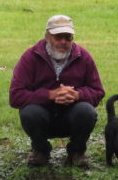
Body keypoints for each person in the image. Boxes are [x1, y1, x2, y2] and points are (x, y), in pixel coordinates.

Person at [9, 14, 105, 167]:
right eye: (58, 37)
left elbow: (98, 91)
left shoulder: (83, 57)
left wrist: (77, 95)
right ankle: (40, 151)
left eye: (67, 37)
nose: (63, 42)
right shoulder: (30, 57)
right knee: (30, 112)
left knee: (87, 111)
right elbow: (15, 96)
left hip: (72, 116)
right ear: (47, 36)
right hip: (42, 117)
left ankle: (76, 152)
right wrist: (49, 95)